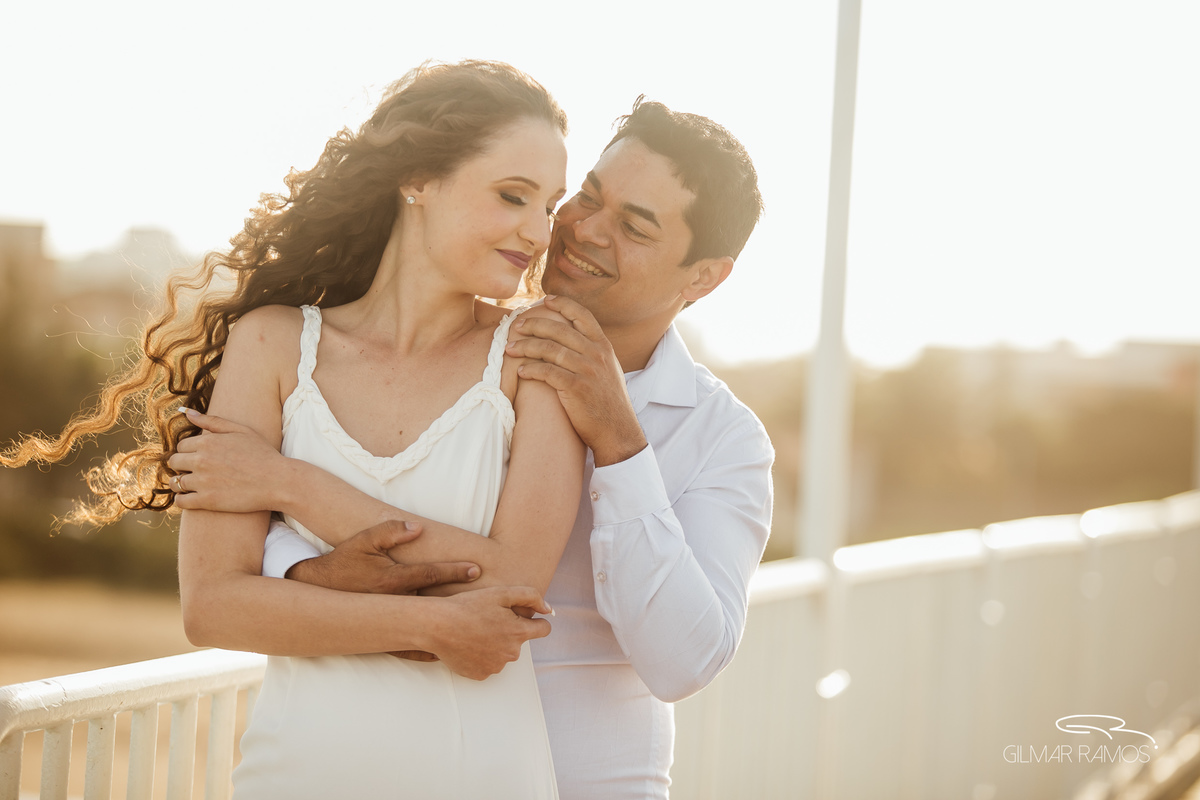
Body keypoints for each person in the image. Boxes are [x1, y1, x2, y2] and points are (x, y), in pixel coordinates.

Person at [4, 60, 587, 798]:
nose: (538, 232)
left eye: (550, 206)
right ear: (417, 178)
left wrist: (290, 484)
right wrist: (430, 626)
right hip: (295, 773)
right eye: (514, 196)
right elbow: (213, 605)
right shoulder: (275, 344)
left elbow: (515, 583)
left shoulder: (538, 352)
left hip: (477, 773)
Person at [170, 98, 775, 799]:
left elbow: (683, 659)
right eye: (585, 197)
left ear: (703, 277)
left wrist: (619, 441)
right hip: (342, 756)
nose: (576, 230)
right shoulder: (482, 352)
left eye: (635, 226)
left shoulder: (721, 437)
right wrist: (311, 571)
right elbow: (233, 576)